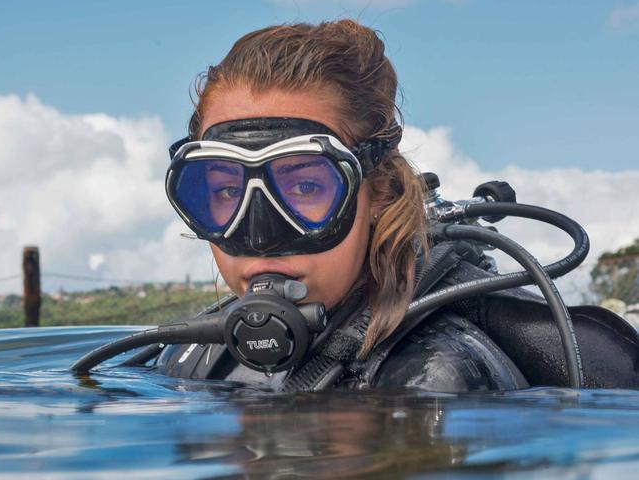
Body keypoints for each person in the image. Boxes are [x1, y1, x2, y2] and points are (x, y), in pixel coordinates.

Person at [157, 20, 639, 392]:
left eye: (305, 187)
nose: (258, 234)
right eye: (224, 191)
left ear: (378, 192)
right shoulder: (195, 353)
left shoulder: (434, 380)